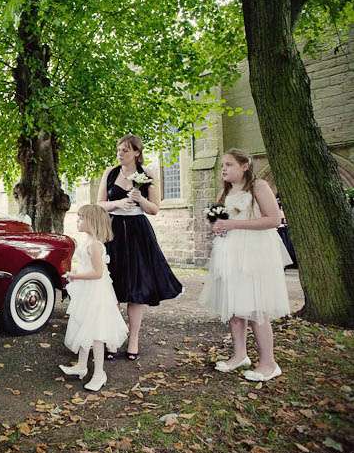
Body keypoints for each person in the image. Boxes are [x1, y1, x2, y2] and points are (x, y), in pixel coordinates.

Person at [200, 149, 291, 382]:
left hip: (254, 254)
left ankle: (269, 363)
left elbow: (274, 219)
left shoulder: (258, 187)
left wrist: (233, 225)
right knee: (234, 307)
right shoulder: (224, 192)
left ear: (245, 166)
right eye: (223, 165)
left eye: (229, 164)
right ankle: (240, 355)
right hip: (229, 254)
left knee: (255, 308)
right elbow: (218, 220)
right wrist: (217, 226)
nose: (223, 169)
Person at [97, 134, 182, 361]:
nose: (120, 153)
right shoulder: (110, 173)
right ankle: (113, 338)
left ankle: (133, 339)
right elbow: (99, 204)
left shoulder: (147, 175)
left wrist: (139, 199)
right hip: (113, 231)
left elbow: (154, 209)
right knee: (112, 286)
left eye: (125, 150)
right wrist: (117, 203)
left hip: (138, 232)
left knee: (137, 286)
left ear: (136, 152)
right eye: (118, 149)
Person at [59, 205, 129, 392]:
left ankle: (99, 373)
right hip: (87, 291)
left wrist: (75, 276)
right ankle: (82, 366)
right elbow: (86, 266)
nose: (78, 220)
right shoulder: (87, 242)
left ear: (92, 222)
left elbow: (98, 273)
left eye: (81, 218)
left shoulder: (95, 245)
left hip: (96, 294)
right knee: (84, 326)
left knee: (97, 333)